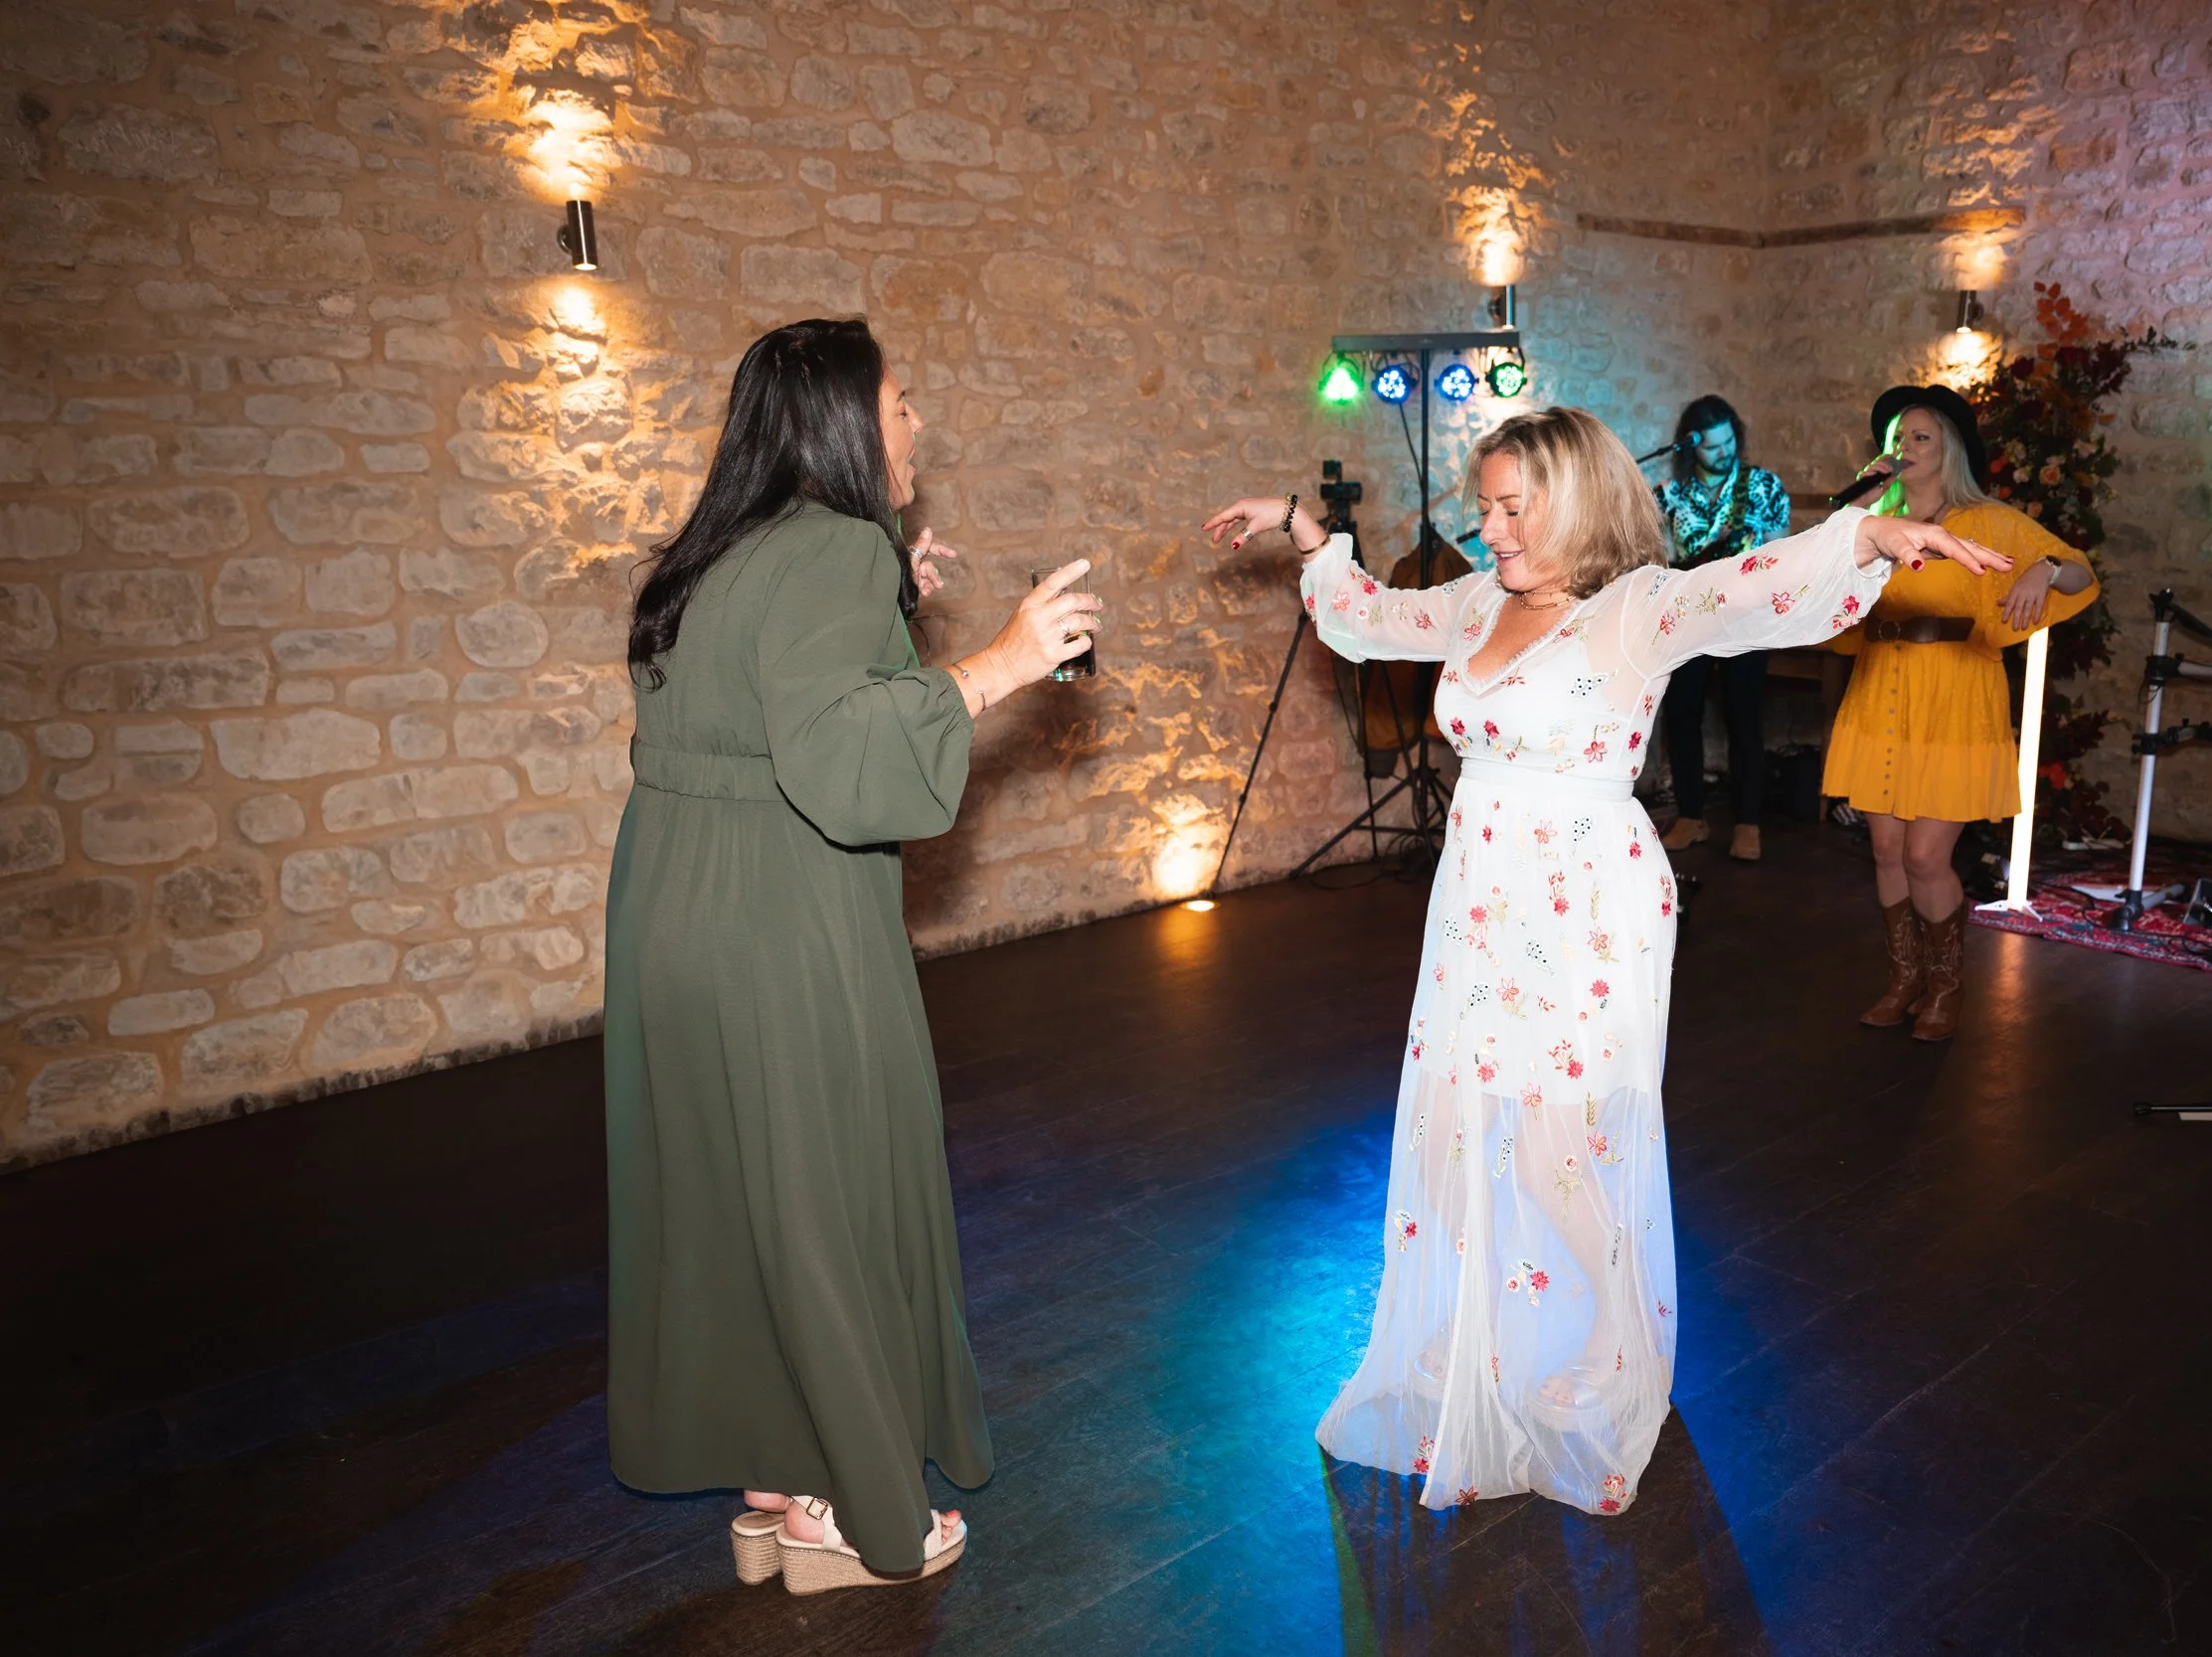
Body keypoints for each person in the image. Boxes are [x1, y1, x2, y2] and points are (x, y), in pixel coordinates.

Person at [1201, 409, 2007, 1517]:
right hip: (1478, 899)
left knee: (1560, 1137)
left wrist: (1863, 541)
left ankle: (1617, 1341)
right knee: (1472, 1114)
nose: (1490, 530)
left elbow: (1746, 587)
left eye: (1510, 508)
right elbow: (1370, 620)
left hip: (1583, 905)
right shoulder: (1477, 601)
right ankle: (1476, 1330)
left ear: (1573, 500)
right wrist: (1302, 528)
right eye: (1484, 507)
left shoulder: (1635, 608)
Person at [603, 319, 1102, 1592]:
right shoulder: (826, 549)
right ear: (837, 419)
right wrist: (999, 661)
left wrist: (891, 607)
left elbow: (763, 700)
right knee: (827, 1197)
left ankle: (770, 1487)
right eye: (899, 402)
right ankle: (852, 1512)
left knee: (736, 1198)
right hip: (785, 918)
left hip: (675, 912)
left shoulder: (720, 551)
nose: (915, 422)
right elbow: (834, 760)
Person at [1819, 385, 2098, 1042]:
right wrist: (1857, 503)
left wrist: (2046, 568)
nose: (1905, 448)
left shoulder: (1986, 520)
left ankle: (1946, 985)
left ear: (1949, 449)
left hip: (1953, 696)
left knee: (1923, 854)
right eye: (1895, 439)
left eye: (1920, 437)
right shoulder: (1869, 525)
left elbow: (2082, 572)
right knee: (1885, 847)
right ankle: (1903, 977)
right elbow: (1815, 571)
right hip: (1882, 687)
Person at [1651, 395, 1792, 862]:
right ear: (1692, 446)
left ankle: (1748, 824)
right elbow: (1659, 559)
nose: (1723, 451)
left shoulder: (1764, 486)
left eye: (1729, 441)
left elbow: (1781, 556)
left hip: (1747, 616)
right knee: (1682, 714)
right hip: (1690, 616)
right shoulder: (1668, 495)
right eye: (1712, 446)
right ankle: (1692, 816)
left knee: (1743, 715)